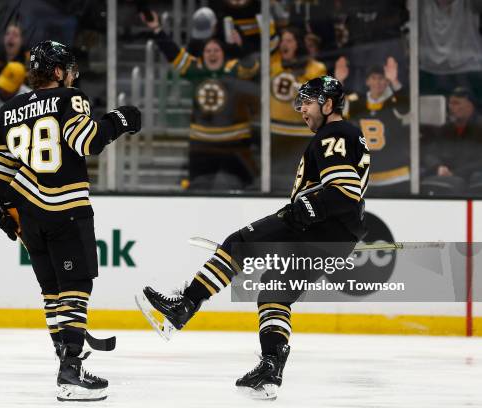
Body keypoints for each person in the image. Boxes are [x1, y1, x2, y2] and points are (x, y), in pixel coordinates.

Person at [137, 76, 369, 400]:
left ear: (329, 104)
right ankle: (270, 371)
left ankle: (186, 304)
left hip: (319, 228)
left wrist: (305, 210)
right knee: (274, 293)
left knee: (239, 243)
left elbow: (345, 193)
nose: (302, 108)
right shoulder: (342, 135)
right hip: (338, 235)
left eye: (309, 101)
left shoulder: (336, 133)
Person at [0, 40, 140, 401]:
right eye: (68, 69)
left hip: (31, 218)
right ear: (57, 72)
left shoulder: (8, 110)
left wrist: (6, 208)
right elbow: (88, 142)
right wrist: (121, 119)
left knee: (52, 293)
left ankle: (66, 361)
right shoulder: (70, 98)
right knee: (75, 288)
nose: (73, 75)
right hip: (66, 209)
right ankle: (70, 371)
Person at [142, 11, 260, 190]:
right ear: (203, 54)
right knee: (198, 187)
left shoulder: (234, 68)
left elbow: (252, 68)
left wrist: (240, 47)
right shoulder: (196, 69)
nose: (212, 54)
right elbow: (174, 54)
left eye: (216, 50)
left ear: (223, 53)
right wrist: (157, 29)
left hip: (235, 143)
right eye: (208, 51)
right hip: (202, 144)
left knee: (247, 186)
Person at [339, 57, 411, 195]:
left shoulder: (393, 101)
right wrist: (339, 81)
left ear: (387, 81)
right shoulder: (357, 103)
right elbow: (336, 110)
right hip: (367, 176)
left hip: (396, 174)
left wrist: (395, 81)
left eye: (382, 78)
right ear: (367, 81)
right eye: (374, 78)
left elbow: (405, 109)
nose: (377, 82)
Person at [269, 26, 326, 192]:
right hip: (276, 129)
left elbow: (322, 98)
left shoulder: (315, 68)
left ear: (298, 44)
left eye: (289, 40)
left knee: (299, 178)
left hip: (302, 132)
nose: (284, 44)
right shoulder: (273, 63)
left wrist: (304, 90)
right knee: (275, 177)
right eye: (282, 40)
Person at [422, 87, 482, 195]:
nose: (451, 107)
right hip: (447, 180)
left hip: (472, 183)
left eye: (457, 103)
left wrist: (454, 173)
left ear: (470, 106)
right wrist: (438, 166)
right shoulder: (445, 129)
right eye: (450, 103)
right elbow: (429, 152)